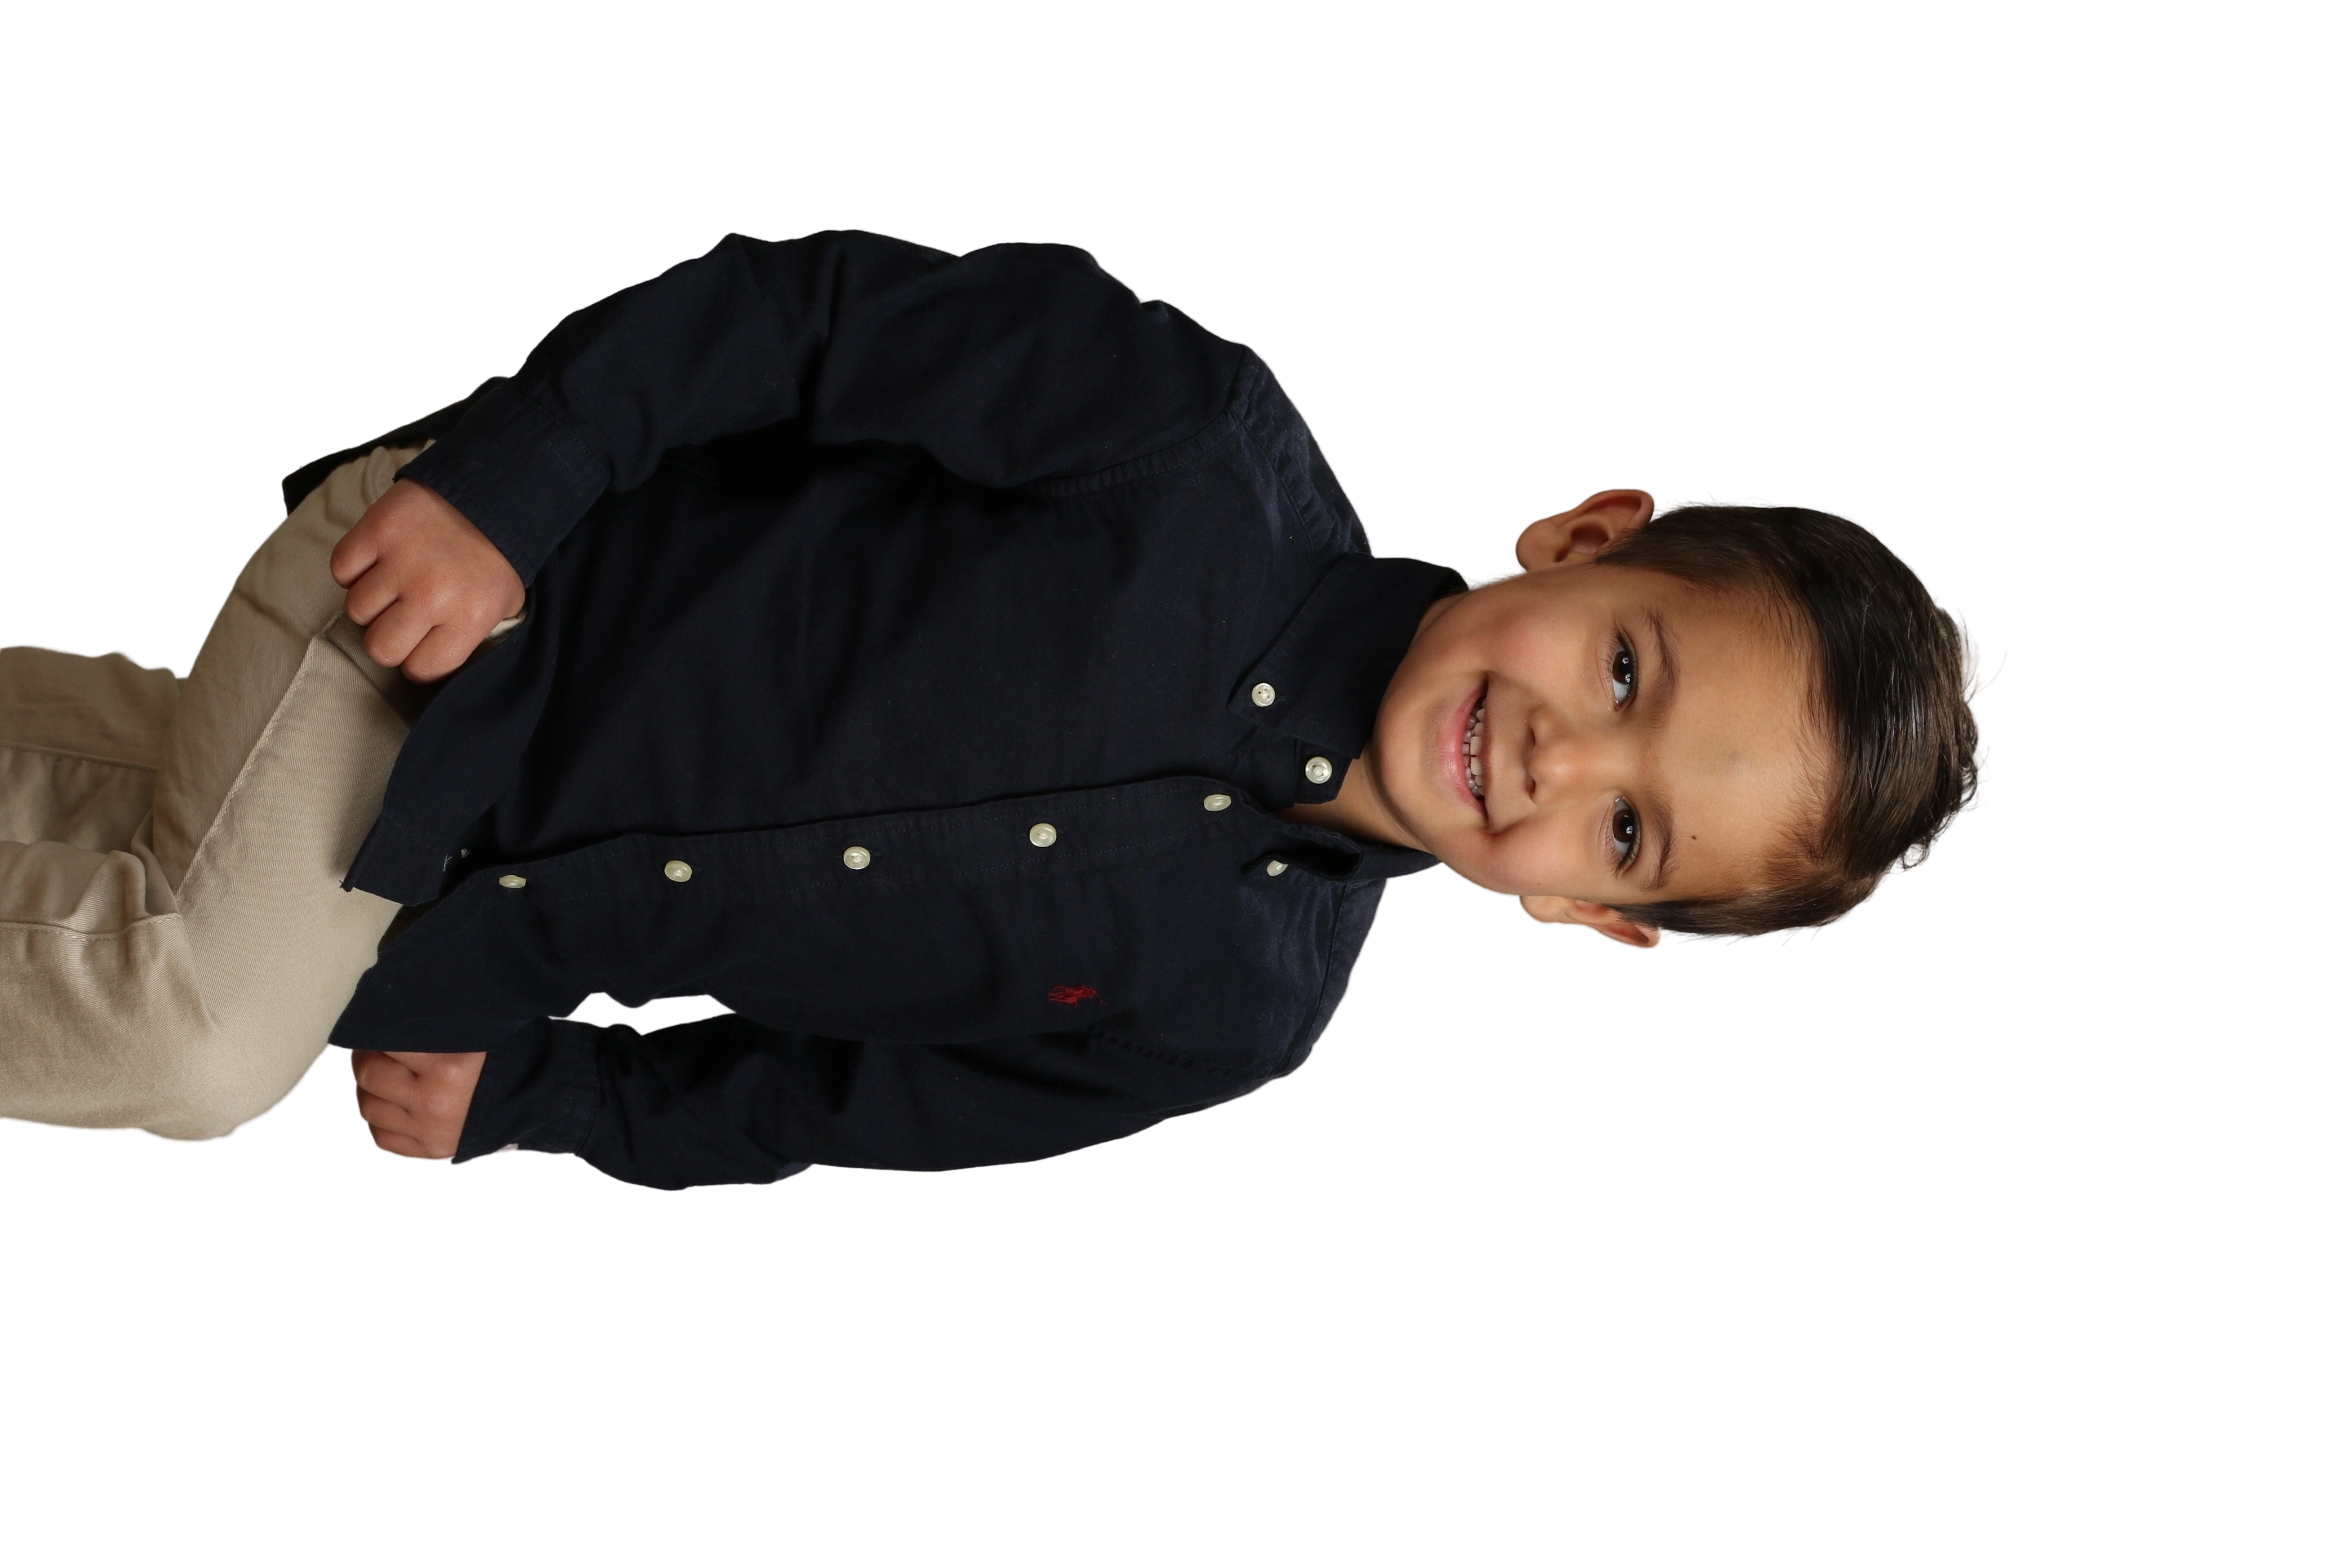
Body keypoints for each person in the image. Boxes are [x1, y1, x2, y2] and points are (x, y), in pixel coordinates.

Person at [0, 227, 2000, 1190]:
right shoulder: (1194, 447)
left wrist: (558, 1094)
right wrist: (513, 488)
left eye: (1630, 828)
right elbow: (794, 319)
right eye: (1627, 668)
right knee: (199, 1031)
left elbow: (840, 1098)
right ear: (1589, 537)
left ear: (1595, 917)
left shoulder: (1234, 1010)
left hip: (437, 902)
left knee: (114, 831)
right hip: (444, 612)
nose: (1567, 757)